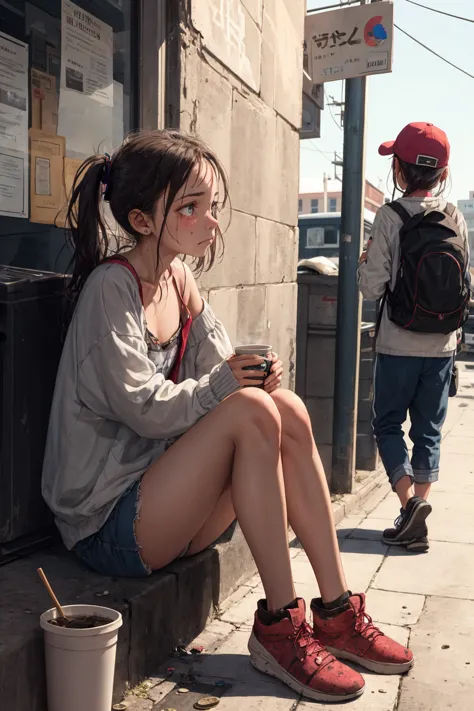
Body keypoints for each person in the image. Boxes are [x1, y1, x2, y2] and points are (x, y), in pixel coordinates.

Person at [42, 130, 413, 704]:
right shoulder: (109, 290)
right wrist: (229, 385)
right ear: (142, 221)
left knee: (281, 407)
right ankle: (280, 626)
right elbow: (144, 407)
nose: (210, 221)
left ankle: (337, 613)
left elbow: (220, 375)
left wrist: (255, 375)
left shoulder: (178, 279)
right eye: (190, 207)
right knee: (248, 411)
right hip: (105, 522)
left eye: (210, 206)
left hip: (165, 507)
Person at [358, 122, 470, 553]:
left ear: (400, 173)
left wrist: (363, 263)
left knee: (387, 424)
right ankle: (419, 507)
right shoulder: (455, 215)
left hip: (398, 342)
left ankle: (408, 506)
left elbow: (371, 287)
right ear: (442, 175)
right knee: (428, 429)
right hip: (443, 344)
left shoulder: (389, 217)